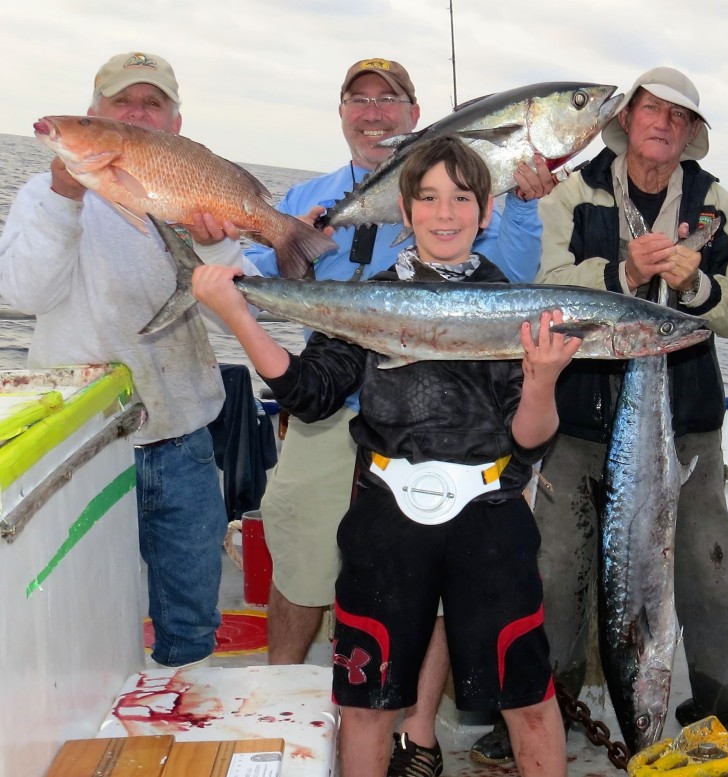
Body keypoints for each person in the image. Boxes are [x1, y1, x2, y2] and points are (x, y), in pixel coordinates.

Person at [192, 134, 578, 777]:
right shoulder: (367, 296)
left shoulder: (517, 305)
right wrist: (238, 315)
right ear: (405, 211)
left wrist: (540, 381)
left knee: (529, 702)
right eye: (427, 198)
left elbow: (530, 440)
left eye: (462, 198)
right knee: (367, 705)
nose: (445, 213)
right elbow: (310, 394)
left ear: (487, 213)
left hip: (490, 517)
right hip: (385, 518)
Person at [471, 65, 728, 763]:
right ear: (626, 117)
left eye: (678, 116)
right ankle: (545, 701)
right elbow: (543, 288)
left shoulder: (718, 203)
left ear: (692, 133)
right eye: (650, 109)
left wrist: (692, 280)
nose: (662, 123)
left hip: (686, 423)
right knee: (554, 562)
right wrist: (626, 275)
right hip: (576, 419)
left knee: (709, 558)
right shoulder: (572, 192)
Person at [0, 51, 247, 667]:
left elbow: (231, 317)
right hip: (86, 442)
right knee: (82, 605)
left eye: (152, 103)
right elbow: (24, 294)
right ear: (94, 116)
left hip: (183, 435)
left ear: (174, 126)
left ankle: (184, 713)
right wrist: (64, 197)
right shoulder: (42, 195)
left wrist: (215, 242)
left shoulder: (197, 203)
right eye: (120, 104)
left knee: (192, 607)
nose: (136, 112)